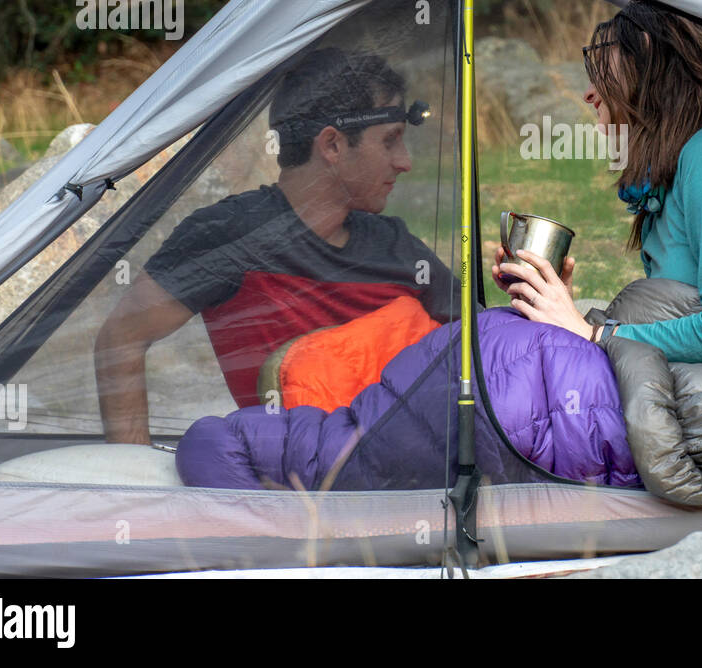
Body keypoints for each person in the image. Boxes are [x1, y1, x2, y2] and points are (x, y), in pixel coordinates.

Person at [94, 48, 457, 444]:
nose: (404, 162)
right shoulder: (232, 234)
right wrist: (136, 477)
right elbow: (121, 339)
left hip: (406, 480)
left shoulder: (396, 246)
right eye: (390, 141)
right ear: (332, 145)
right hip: (291, 481)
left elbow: (483, 344)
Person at [492, 1, 702, 364]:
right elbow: (676, 316)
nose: (589, 93)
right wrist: (555, 301)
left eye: (600, 68)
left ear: (646, 61)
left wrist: (592, 334)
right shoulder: (672, 171)